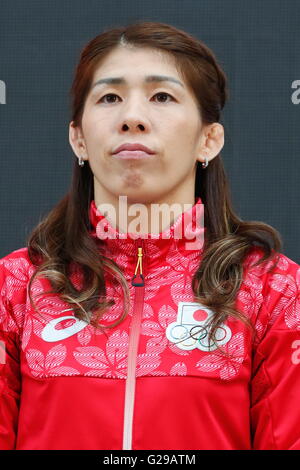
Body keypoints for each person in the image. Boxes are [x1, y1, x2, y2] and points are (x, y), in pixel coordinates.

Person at [0, 21, 299, 451]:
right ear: (78, 138)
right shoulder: (16, 287)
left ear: (209, 139)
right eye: (109, 97)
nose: (133, 118)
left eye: (162, 96)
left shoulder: (274, 291)